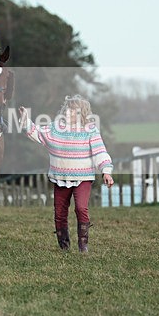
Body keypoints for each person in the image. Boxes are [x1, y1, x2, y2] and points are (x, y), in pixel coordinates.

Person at [19, 95, 114, 253]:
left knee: (81, 208)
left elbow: (100, 152)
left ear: (82, 114)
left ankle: (83, 245)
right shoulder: (55, 128)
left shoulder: (90, 130)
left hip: (83, 178)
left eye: (75, 111)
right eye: (68, 110)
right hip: (60, 177)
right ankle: (64, 245)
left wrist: (106, 171)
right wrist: (26, 120)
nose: (70, 113)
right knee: (60, 211)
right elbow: (37, 134)